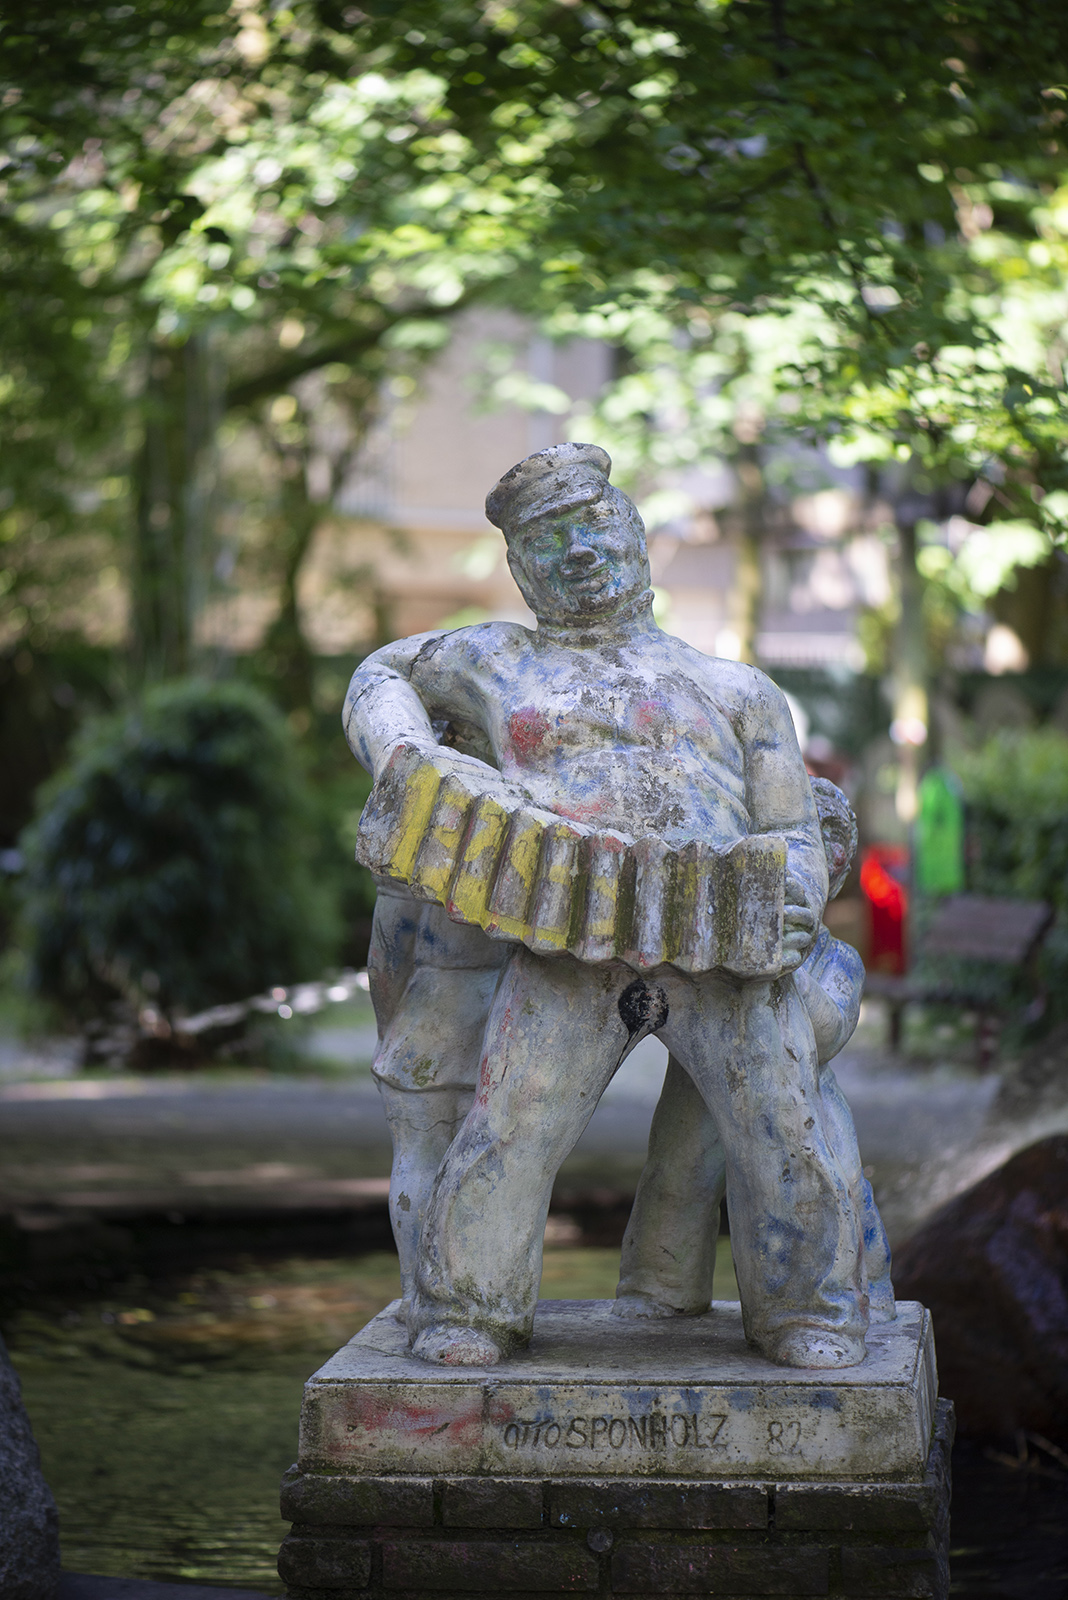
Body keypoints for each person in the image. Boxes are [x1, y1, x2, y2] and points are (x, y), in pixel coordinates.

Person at [344, 442, 865, 1371]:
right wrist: (410, 758)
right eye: (548, 539)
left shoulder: (740, 689)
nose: (578, 551)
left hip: (722, 933)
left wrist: (788, 892)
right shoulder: (495, 658)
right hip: (563, 933)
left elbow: (792, 833)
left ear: (634, 533)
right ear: (517, 568)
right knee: (512, 1122)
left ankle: (805, 1307)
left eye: (594, 525)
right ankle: (474, 1305)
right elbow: (377, 678)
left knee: (780, 1122)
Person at [615, 778, 895, 1324]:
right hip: (701, 1081)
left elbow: (829, 1031)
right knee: (676, 1182)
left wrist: (780, 964)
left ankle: (863, 1289)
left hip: (802, 1094)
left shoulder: (836, 960)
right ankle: (659, 1287)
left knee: (834, 1185)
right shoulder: (721, 940)